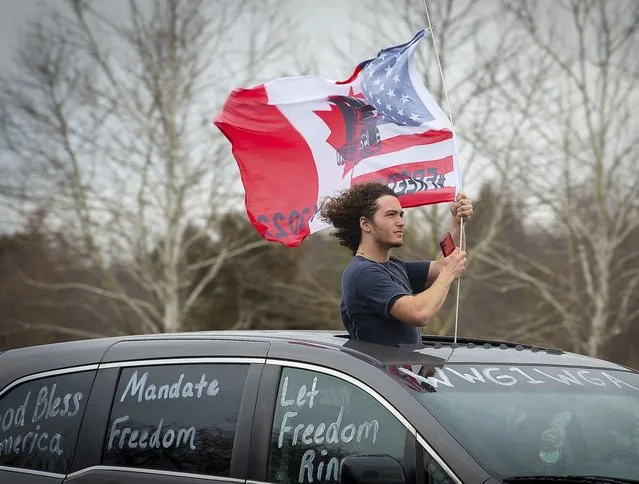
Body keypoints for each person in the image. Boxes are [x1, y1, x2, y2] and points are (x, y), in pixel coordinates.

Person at [319, 182, 472, 346]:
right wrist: (448, 273)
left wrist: (457, 223)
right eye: (391, 215)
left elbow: (445, 264)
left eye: (401, 214)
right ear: (365, 224)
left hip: (401, 371)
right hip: (377, 372)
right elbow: (419, 313)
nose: (401, 222)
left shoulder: (395, 266)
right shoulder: (363, 273)